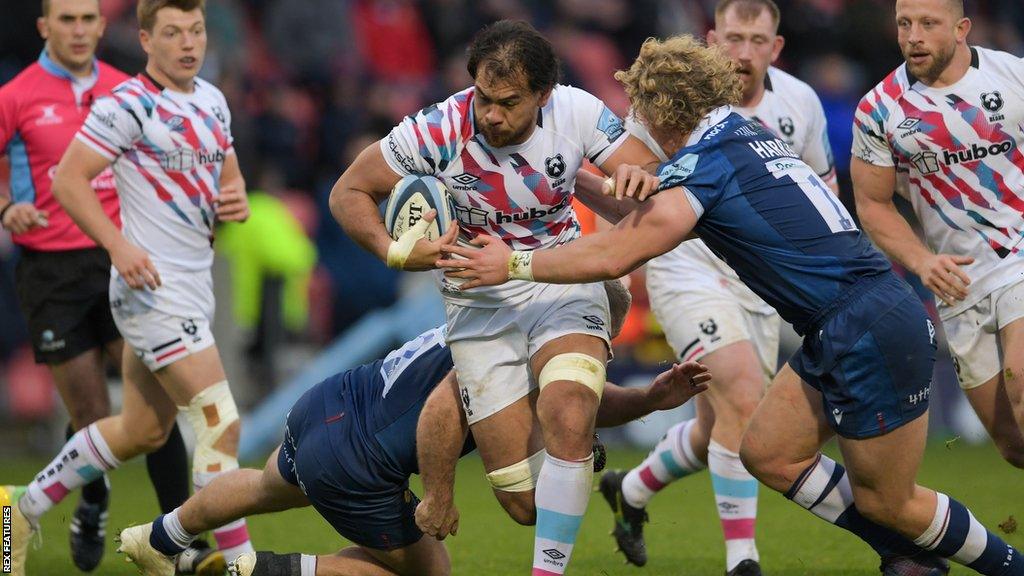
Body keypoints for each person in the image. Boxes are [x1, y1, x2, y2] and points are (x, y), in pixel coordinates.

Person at [438, 35, 1024, 576]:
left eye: (633, 115)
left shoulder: (705, 167)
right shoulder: (741, 134)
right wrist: (568, 183)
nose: (628, 129)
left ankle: (1005, 564)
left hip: (866, 326)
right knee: (768, 453)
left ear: (658, 112)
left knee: (891, 501)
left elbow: (616, 254)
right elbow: (645, 211)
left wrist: (511, 262)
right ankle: (902, 553)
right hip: (847, 319)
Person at [330, 19, 659, 575]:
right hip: (478, 305)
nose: (491, 115)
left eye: (508, 103)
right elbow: (349, 192)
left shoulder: (576, 112)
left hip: (559, 280)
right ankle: (572, 450)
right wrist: (393, 251)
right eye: (484, 97)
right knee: (524, 503)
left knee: (568, 405)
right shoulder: (436, 130)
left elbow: (646, 166)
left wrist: (638, 178)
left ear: (543, 96)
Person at [113, 324, 711, 576]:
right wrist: (440, 495)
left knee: (269, 485)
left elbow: (572, 398)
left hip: (329, 403)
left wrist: (649, 400)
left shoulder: (515, 320)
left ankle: (158, 539)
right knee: (430, 573)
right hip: (360, 455)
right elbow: (443, 411)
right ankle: (247, 571)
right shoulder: (517, 348)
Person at [4, 1, 254, 574]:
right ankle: (238, 564)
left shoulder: (212, 100)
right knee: (221, 422)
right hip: (149, 290)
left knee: (141, 429)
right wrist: (118, 245)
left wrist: (232, 200)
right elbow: (67, 182)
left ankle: (20, 507)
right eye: (172, 33)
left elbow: (229, 179)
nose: (188, 43)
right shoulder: (127, 105)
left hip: (193, 286)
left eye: (196, 31)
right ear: (145, 39)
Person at [600, 1, 839, 572]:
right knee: (738, 390)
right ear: (712, 39)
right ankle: (743, 558)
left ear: (776, 47)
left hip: (761, 281)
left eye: (759, 40)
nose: (745, 51)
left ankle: (631, 490)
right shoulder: (668, 101)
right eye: (734, 37)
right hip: (688, 267)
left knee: (723, 425)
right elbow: (623, 173)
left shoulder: (800, 104)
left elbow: (821, 193)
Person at [851, 0, 1024, 477]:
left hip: (1018, 256)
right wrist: (922, 262)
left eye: (928, 24)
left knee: (1023, 384)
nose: (914, 36)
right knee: (1014, 444)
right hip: (956, 281)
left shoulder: (1013, 78)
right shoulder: (878, 107)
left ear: (962, 28)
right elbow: (872, 205)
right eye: (905, 24)